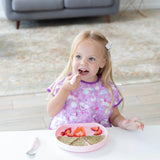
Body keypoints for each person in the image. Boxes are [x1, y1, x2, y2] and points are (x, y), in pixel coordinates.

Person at [47, 30, 144, 131]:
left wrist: (124, 123)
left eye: (91, 59)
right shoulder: (64, 83)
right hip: (65, 136)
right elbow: (51, 112)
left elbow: (114, 117)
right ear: (72, 58)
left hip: (95, 139)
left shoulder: (108, 89)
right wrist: (65, 90)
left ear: (102, 62)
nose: (83, 63)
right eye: (78, 56)